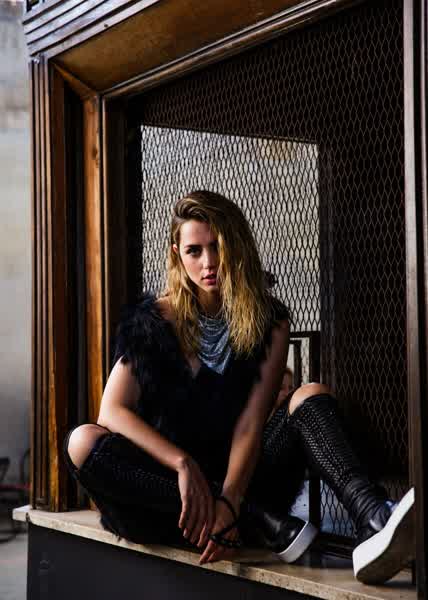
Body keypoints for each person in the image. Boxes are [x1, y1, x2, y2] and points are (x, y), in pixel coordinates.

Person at [63, 190, 415, 585]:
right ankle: (256, 519)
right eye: (194, 251)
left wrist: (229, 503)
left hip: (242, 485)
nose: (209, 262)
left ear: (238, 245)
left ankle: (374, 518)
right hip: (166, 499)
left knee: (310, 395)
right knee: (82, 441)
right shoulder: (154, 321)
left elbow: (251, 425)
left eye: (218, 246)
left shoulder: (269, 322)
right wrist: (182, 464)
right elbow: (112, 411)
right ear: (177, 255)